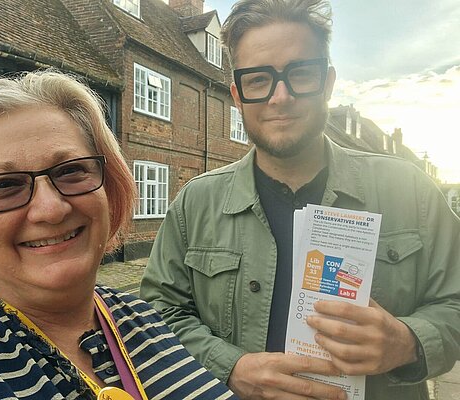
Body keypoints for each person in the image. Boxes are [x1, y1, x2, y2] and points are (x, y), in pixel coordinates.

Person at [140, 0, 460, 399]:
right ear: (237, 95)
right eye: (258, 80)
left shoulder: (410, 191)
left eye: (300, 74)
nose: (280, 97)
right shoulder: (194, 204)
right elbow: (157, 315)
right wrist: (229, 367)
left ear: (327, 82)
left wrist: (410, 341)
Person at [0, 70, 237, 399]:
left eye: (71, 171)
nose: (51, 209)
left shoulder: (142, 316)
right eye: (4, 185)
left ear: (110, 188)